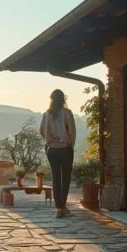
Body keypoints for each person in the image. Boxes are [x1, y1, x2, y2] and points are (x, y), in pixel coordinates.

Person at [39, 89, 76, 218]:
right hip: (65, 149)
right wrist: (69, 145)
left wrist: (50, 140)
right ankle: (63, 207)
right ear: (63, 99)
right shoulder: (67, 113)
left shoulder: (46, 114)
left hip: (52, 150)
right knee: (65, 178)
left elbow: (41, 131)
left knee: (56, 178)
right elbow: (72, 132)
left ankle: (58, 208)